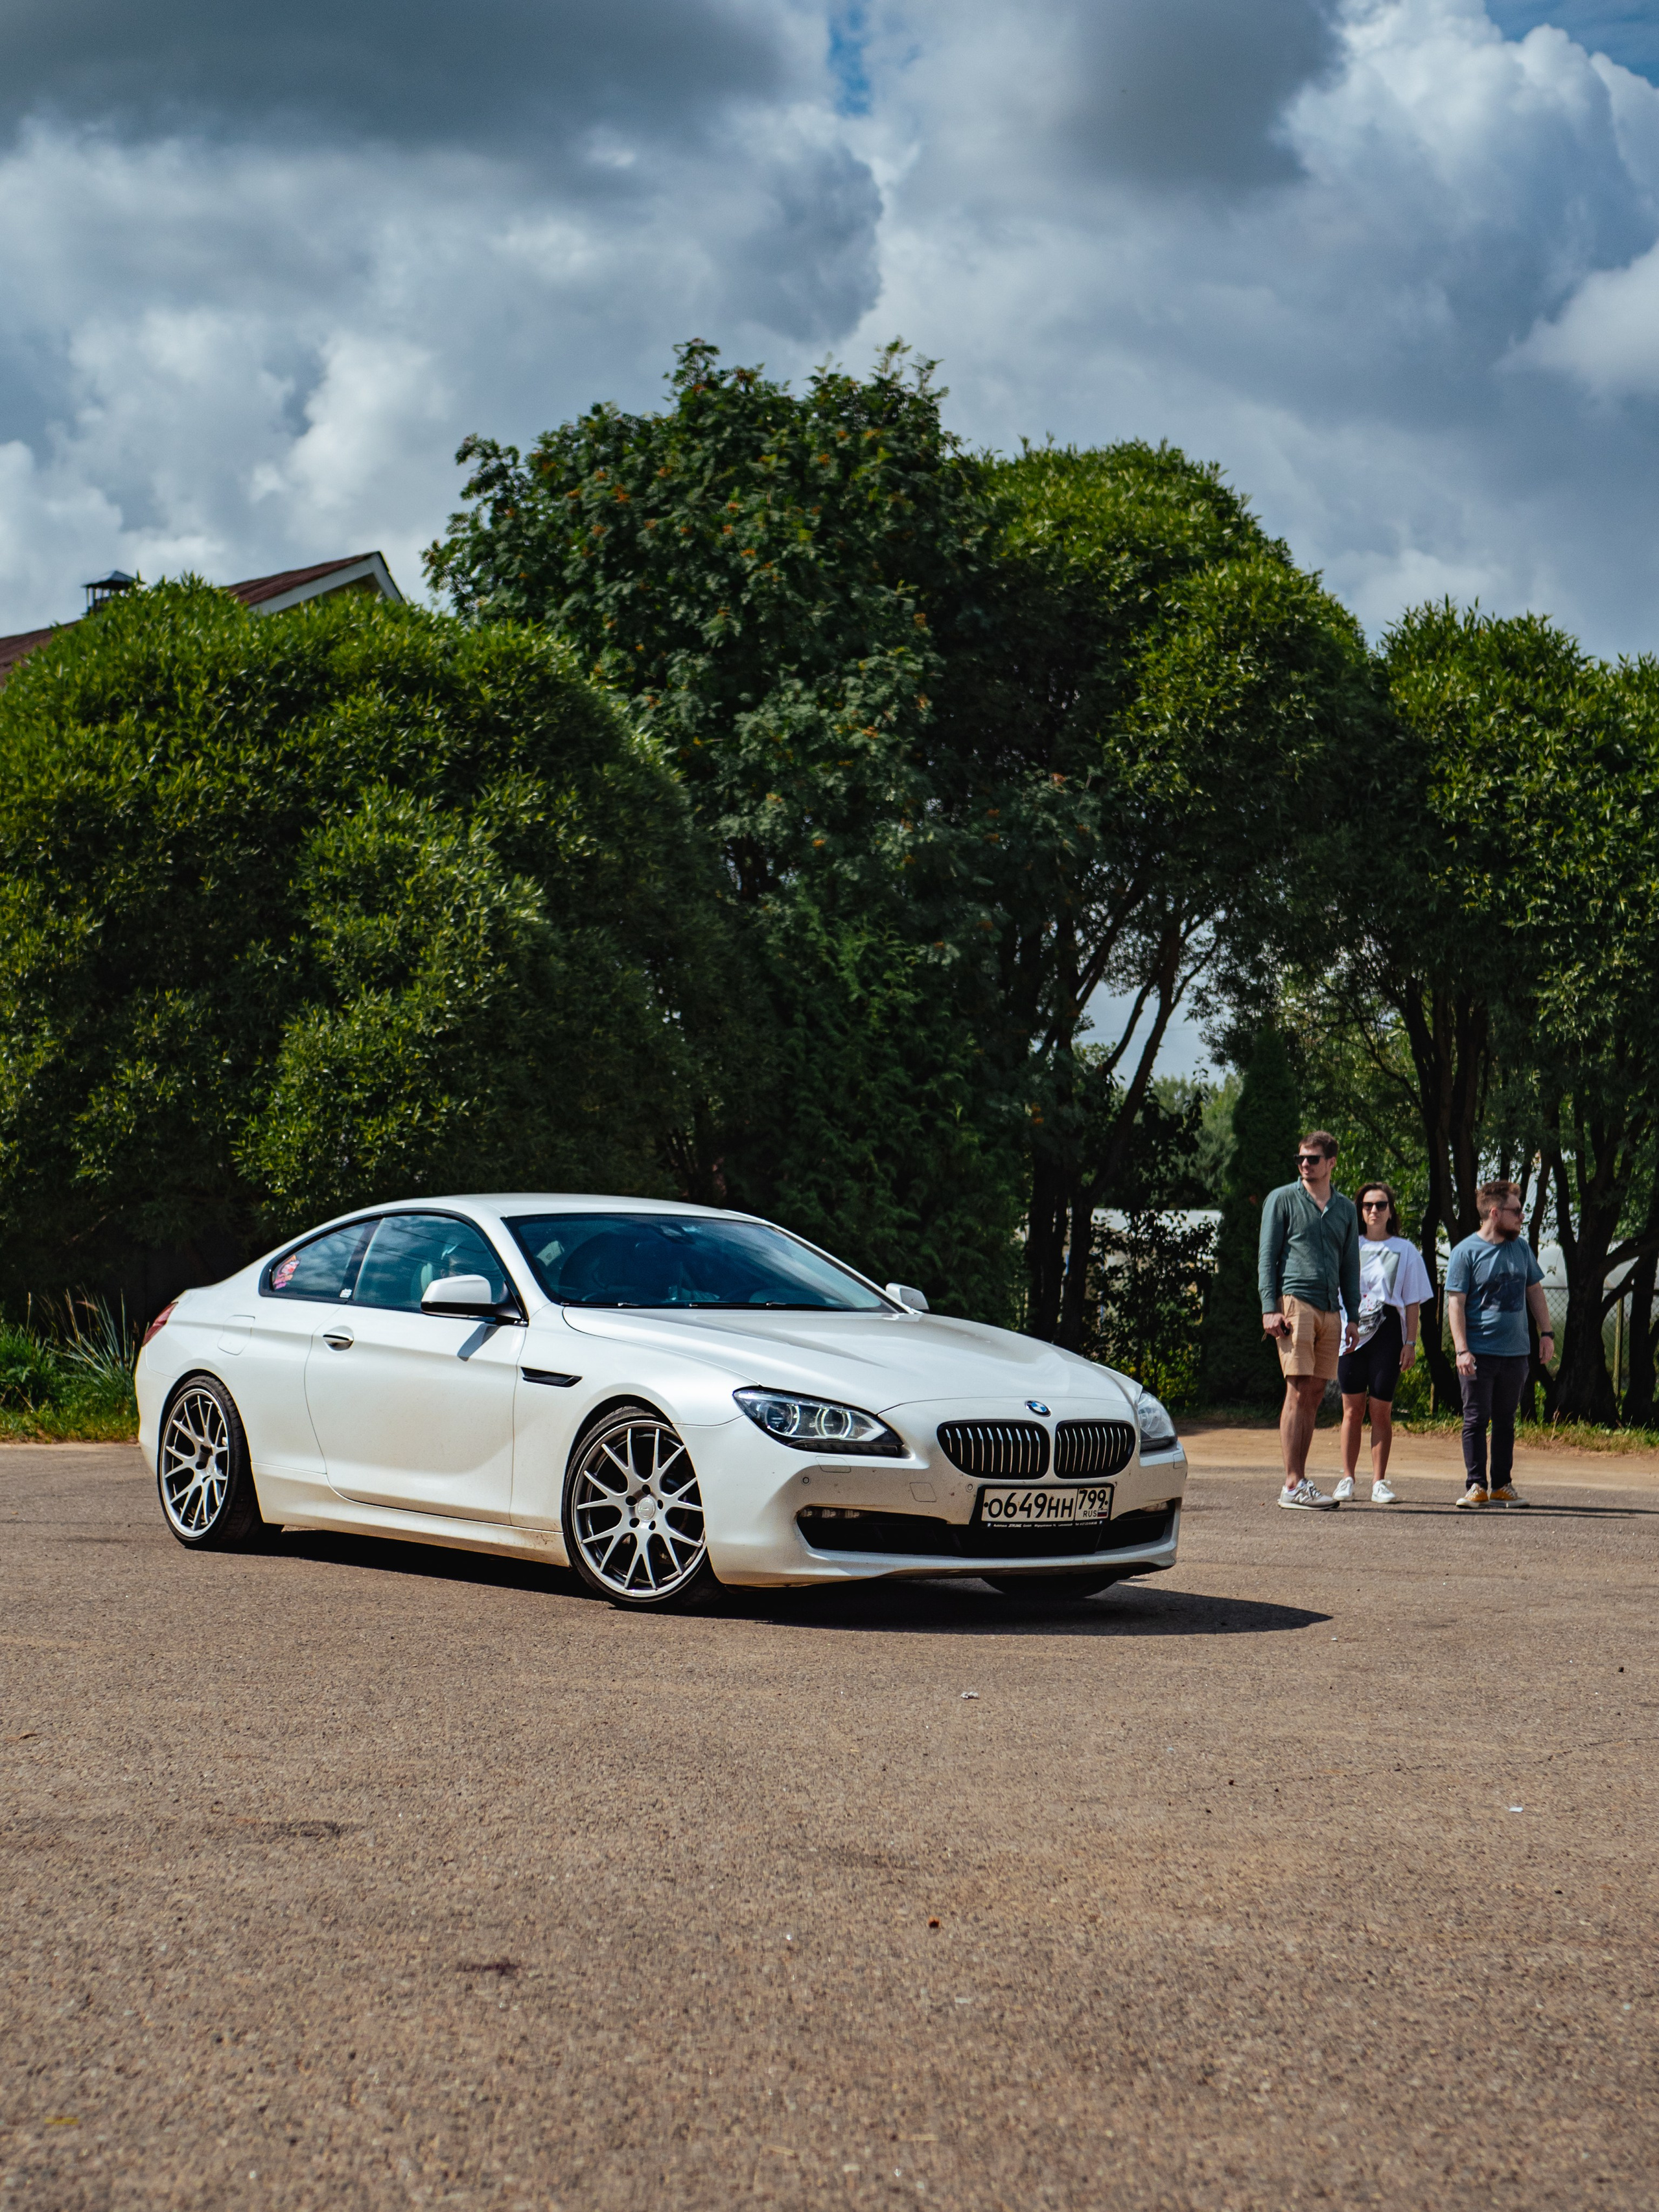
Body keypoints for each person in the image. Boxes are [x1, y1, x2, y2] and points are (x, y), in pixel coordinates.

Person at [1259, 1130, 1361, 1509]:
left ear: (1331, 1162)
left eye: (1313, 1159)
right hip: (1294, 1302)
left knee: (1316, 1394)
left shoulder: (1347, 1209)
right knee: (1298, 1389)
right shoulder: (1283, 1199)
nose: (1305, 1164)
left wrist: (1352, 1316)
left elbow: (1351, 1265)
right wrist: (1270, 1307)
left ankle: (1300, 1480)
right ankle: (1292, 1483)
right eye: (1301, 1158)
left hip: (1331, 1310)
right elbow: (1266, 1257)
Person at [1446, 1180, 1554, 1509]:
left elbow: (1534, 1291)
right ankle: (1476, 1485)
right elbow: (1456, 1304)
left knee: (1506, 1419)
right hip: (1478, 1353)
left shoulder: (1521, 1248)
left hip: (1516, 1353)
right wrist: (1462, 1349)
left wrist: (1546, 1333)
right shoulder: (1465, 1252)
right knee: (1476, 1418)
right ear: (1495, 1213)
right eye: (1517, 1210)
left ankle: (1502, 1485)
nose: (1522, 1216)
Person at [1334, 1182, 1433, 1504]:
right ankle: (1347, 1479)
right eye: (1367, 1206)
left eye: (1380, 1205)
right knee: (1352, 1410)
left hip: (1389, 1333)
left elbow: (1414, 1301)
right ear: (1359, 1211)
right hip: (1351, 1330)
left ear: (1391, 1210)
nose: (1373, 1211)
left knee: (1381, 1410)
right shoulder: (1348, 1247)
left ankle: (1379, 1482)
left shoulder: (1406, 1251)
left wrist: (1411, 1342)